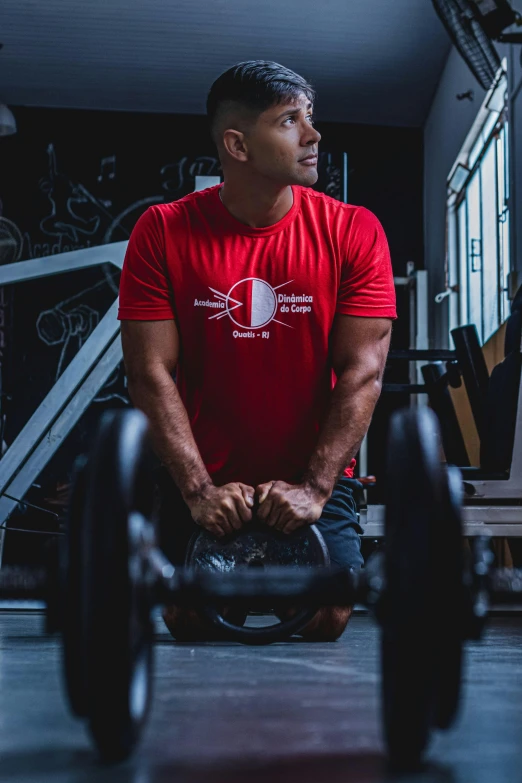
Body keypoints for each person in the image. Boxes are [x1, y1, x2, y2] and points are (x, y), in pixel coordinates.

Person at [118, 60, 397, 641]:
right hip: (204, 477)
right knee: (190, 620)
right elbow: (148, 372)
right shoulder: (162, 231)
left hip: (312, 477)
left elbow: (362, 372)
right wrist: (198, 491)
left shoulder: (354, 231)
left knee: (326, 618)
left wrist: (315, 489)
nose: (314, 136)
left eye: (310, 118)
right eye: (290, 120)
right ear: (237, 144)